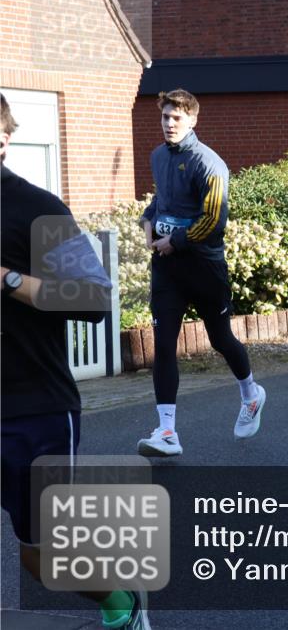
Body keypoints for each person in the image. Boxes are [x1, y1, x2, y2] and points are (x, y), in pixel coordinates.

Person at [1, 94, 148, 628]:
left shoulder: (37, 210)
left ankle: (121, 602)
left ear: (4, 137)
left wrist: (8, 279)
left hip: (31, 406)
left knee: (41, 554)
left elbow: (91, 299)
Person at [137, 89, 266, 457]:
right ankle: (166, 432)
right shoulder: (158, 156)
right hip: (167, 269)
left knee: (220, 339)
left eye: (177, 118)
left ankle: (251, 394)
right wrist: (148, 222)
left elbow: (213, 220)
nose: (170, 124)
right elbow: (161, 199)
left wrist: (174, 241)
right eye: (165, 117)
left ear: (193, 120)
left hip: (204, 266)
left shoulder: (210, 163)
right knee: (163, 346)